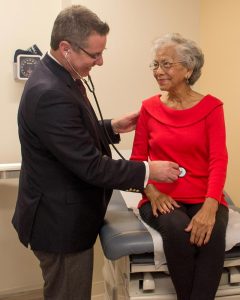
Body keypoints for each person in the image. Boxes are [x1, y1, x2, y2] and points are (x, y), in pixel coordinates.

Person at [12, 6, 180, 300]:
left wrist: (112, 126)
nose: (100, 62)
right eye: (94, 54)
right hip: (59, 224)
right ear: (66, 48)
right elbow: (90, 166)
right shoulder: (50, 91)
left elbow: (70, 138)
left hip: (62, 213)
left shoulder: (60, 76)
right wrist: (148, 171)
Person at [130, 33, 229, 300]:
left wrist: (211, 205)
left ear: (188, 68)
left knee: (212, 231)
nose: (158, 71)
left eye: (166, 64)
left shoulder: (211, 107)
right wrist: (152, 193)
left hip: (203, 194)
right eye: (155, 65)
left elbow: (219, 160)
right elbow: (137, 160)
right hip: (161, 197)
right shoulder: (149, 108)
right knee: (176, 228)